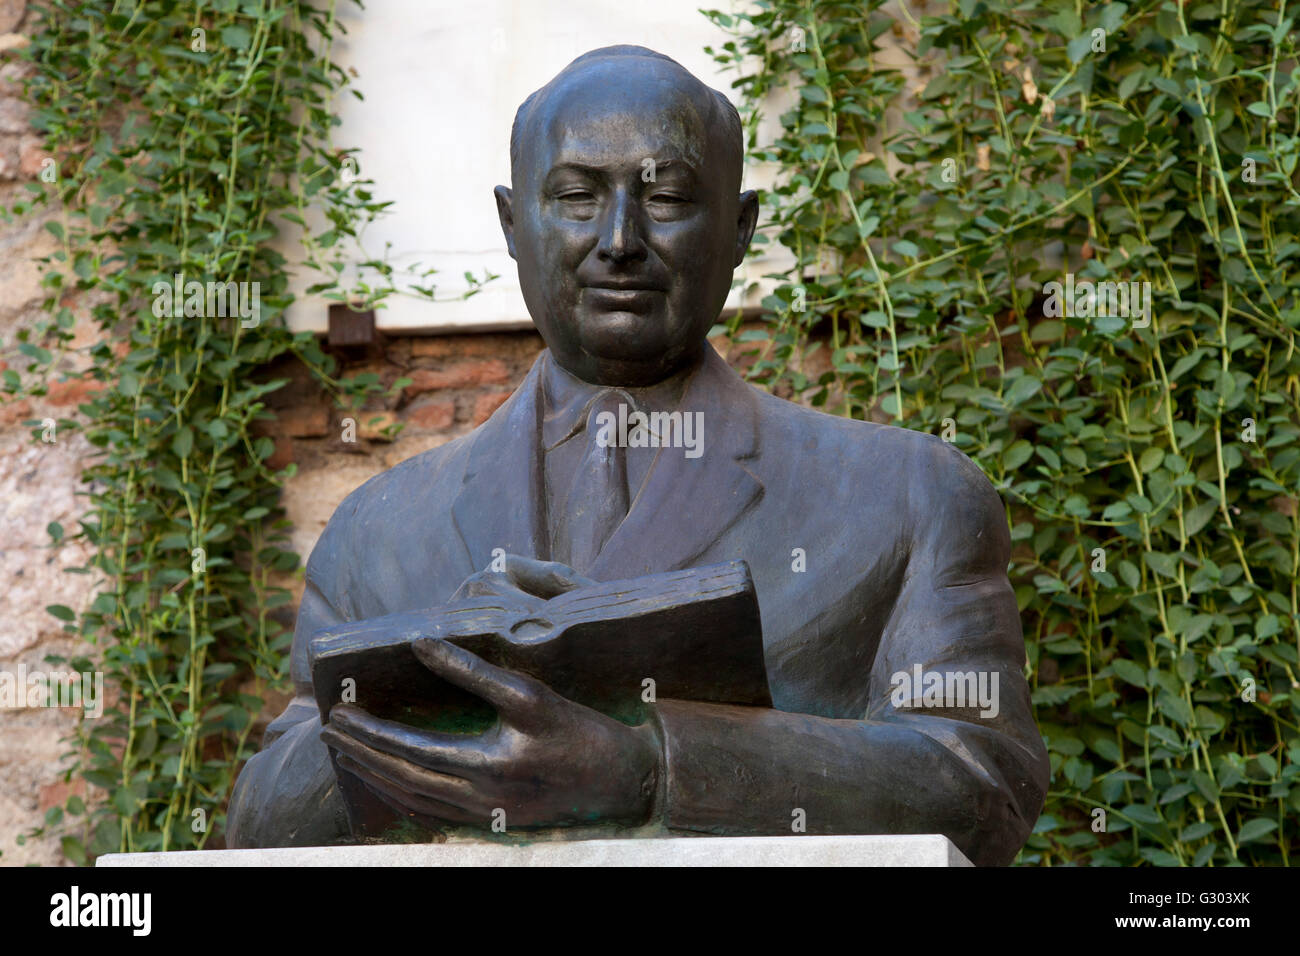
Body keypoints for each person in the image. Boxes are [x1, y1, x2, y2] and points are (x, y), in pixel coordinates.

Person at [227, 46, 1049, 865]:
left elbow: (982, 781)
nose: (619, 240)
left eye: (668, 198)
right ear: (515, 228)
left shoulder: (906, 495)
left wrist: (653, 767)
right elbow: (261, 824)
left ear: (739, 228)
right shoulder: (379, 529)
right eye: (578, 197)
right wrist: (437, 683)